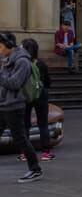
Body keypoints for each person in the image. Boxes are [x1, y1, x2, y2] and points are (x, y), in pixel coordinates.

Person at [0, 33, 43, 182]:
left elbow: (15, 83)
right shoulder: (7, 59)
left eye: (0, 46)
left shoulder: (23, 61)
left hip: (14, 106)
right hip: (3, 104)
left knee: (21, 139)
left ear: (8, 45)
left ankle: (35, 169)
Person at [20, 39, 54, 162]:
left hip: (25, 95)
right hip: (41, 95)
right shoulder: (41, 64)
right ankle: (46, 153)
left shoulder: (21, 63)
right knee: (43, 124)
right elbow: (48, 82)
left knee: (25, 125)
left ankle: (24, 153)